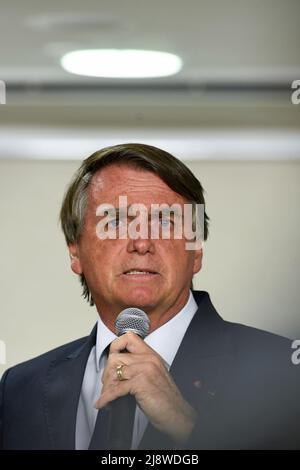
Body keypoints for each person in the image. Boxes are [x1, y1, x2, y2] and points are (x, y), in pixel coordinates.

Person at [0, 143, 299, 450]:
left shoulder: (283, 372)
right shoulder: (20, 389)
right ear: (75, 251)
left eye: (165, 222)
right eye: (114, 222)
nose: (142, 243)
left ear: (196, 251)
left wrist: (186, 426)